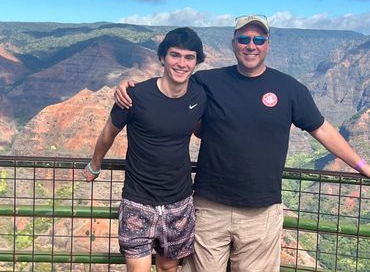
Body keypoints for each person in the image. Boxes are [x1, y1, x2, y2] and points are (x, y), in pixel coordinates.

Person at [114, 15, 370, 272]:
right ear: (233, 43)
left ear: (268, 44)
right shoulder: (207, 82)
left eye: (259, 39)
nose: (251, 45)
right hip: (209, 210)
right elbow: (171, 84)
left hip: (261, 213)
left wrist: (363, 166)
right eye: (244, 39)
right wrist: (129, 87)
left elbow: (323, 129)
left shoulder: (291, 89)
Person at [83, 27, 207, 272]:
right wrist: (94, 164)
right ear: (162, 57)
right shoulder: (134, 95)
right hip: (138, 202)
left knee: (169, 267)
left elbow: (199, 128)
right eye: (175, 55)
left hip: (178, 202)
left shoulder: (199, 96)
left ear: (197, 61)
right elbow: (109, 132)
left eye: (189, 57)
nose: (181, 63)